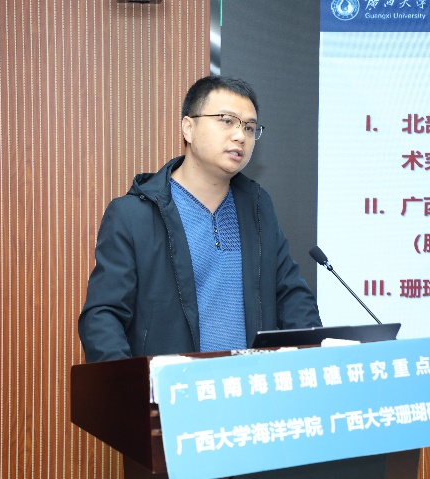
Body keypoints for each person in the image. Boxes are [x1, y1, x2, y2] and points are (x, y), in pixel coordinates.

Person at [79, 75, 321, 362]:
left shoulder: (257, 207)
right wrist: (132, 384)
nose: (240, 136)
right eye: (227, 121)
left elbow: (291, 295)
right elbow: (103, 317)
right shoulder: (134, 215)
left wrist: (314, 355)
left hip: (248, 384)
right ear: (188, 128)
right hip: (174, 386)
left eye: (249, 127)